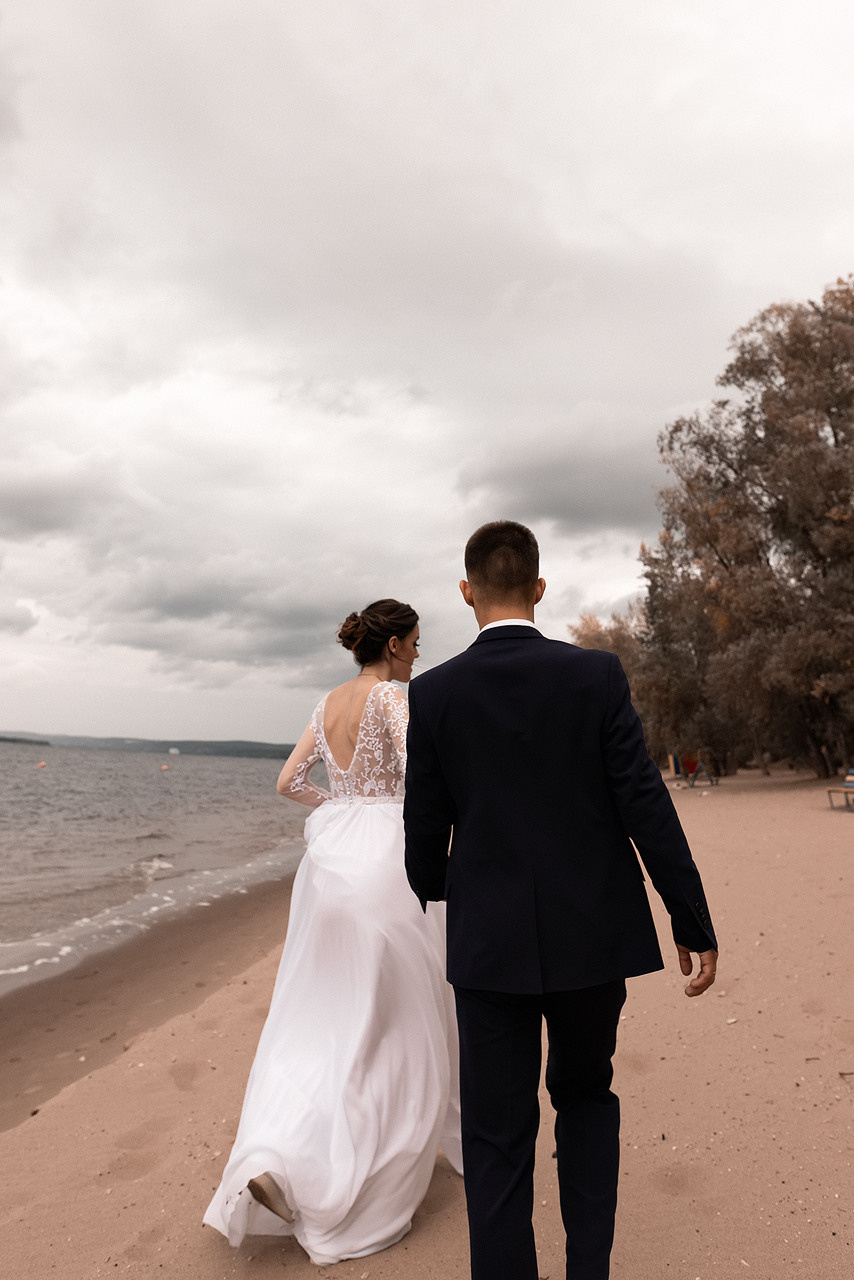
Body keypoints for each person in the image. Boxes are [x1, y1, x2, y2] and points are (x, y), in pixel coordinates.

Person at [403, 522, 717, 1280]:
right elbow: (644, 802)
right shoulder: (597, 677)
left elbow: (423, 828)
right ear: (539, 590)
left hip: (488, 947)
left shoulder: (434, 691)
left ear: (466, 591)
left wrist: (445, 890)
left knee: (496, 1136)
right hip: (590, 936)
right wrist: (690, 916)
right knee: (585, 1099)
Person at [204, 599, 462, 1265]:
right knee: (400, 1020)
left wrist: (343, 805)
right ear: (398, 645)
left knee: (323, 1018)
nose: (418, 655)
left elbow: (289, 781)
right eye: (416, 644)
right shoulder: (392, 700)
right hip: (386, 859)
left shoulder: (326, 705)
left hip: (331, 863)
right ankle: (352, 1177)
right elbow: (425, 776)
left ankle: (278, 1156)